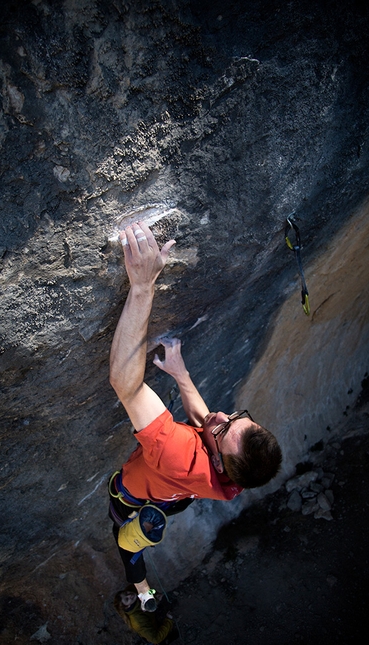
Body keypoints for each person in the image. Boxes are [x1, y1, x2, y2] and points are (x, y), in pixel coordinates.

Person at [109, 221, 282, 611]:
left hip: (132, 497)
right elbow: (206, 421)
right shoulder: (236, 474)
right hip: (176, 496)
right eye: (237, 416)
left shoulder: (178, 453)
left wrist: (142, 287)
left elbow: (127, 385)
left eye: (225, 427)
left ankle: (143, 594)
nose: (221, 414)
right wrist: (181, 372)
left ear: (218, 459)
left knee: (127, 544)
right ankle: (143, 590)